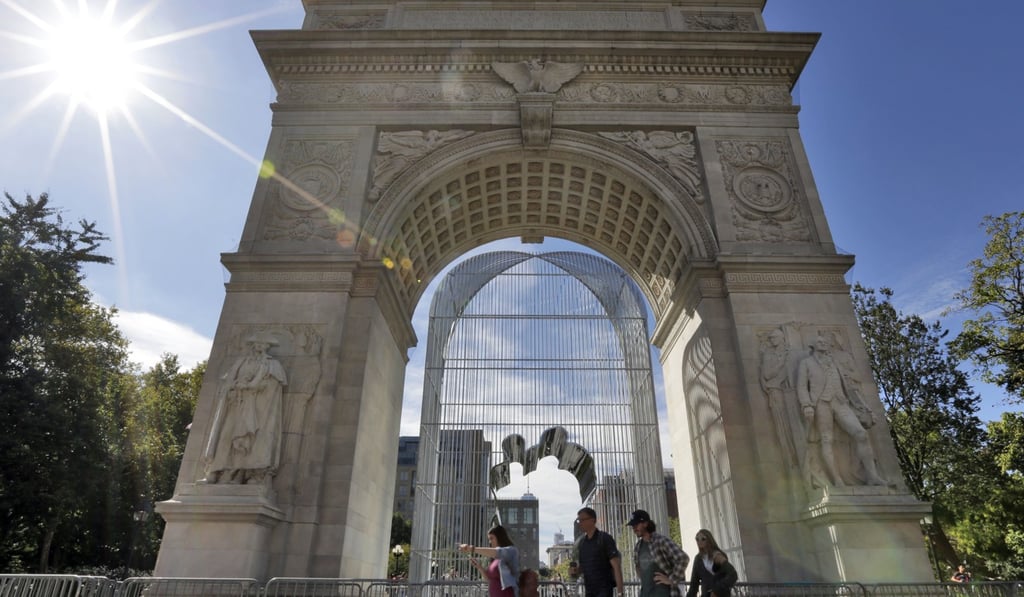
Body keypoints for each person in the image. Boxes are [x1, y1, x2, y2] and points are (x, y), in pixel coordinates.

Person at [795, 333, 887, 487]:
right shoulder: (806, 363)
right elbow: (801, 386)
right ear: (813, 346)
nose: (823, 343)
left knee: (861, 434)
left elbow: (850, 387)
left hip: (841, 403)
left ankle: (872, 476)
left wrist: (865, 407)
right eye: (819, 342)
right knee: (826, 440)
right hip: (821, 403)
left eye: (824, 341)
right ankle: (837, 479)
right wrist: (807, 405)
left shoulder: (835, 362)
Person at [202, 331, 287, 485]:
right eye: (256, 343)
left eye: (262, 344)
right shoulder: (241, 362)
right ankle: (217, 471)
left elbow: (273, 389)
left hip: (256, 409)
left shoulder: (272, 365)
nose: (259, 346)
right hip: (235, 405)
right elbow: (227, 382)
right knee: (226, 436)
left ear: (267, 347)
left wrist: (254, 387)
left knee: (248, 440)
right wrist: (234, 387)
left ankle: (241, 474)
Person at [626, 510, 690, 597]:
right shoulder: (638, 546)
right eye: (632, 526)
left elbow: (683, 558)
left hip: (664, 593)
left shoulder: (660, 541)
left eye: (636, 525)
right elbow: (638, 567)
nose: (634, 528)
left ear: (645, 523)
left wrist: (671, 579)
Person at [570, 507, 625, 597]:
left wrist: (620, 593)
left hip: (604, 591)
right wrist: (575, 571)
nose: (580, 523)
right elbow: (583, 568)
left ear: (592, 520)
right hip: (589, 591)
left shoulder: (604, 538)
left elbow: (616, 567)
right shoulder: (582, 543)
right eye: (578, 521)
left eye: (582, 520)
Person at [459, 525, 521, 597]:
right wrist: (479, 567)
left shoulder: (512, 551)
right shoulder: (495, 558)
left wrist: (471, 549)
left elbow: (498, 552)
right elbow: (489, 580)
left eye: (492, 538)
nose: (490, 542)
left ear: (500, 537)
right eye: (489, 539)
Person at [685, 530, 737, 597]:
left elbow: (733, 574)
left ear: (709, 540)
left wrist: (717, 590)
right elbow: (694, 583)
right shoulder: (698, 559)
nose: (699, 541)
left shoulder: (718, 556)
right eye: (697, 539)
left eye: (703, 539)